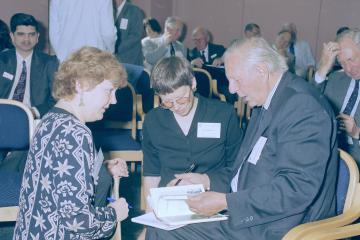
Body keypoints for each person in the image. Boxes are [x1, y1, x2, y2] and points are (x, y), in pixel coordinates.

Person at [146, 37, 338, 240]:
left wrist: (226, 202)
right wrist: (206, 180)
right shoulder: (266, 104)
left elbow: (296, 190)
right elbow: (244, 170)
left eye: (236, 80)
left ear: (261, 71)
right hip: (255, 211)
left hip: (283, 225)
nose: (231, 89)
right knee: (162, 226)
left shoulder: (301, 106)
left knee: (163, 231)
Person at [13, 47, 130, 239]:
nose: (114, 100)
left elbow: (55, 179)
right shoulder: (75, 132)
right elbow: (79, 222)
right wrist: (114, 213)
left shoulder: (50, 119)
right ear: (80, 85)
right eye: (109, 91)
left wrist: (101, 169)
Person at [142, 56, 242, 239]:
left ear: (193, 83)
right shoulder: (152, 121)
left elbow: (239, 168)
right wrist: (150, 220)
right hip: (169, 207)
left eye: (181, 99)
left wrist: (206, 179)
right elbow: (151, 174)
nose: (176, 107)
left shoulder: (223, 113)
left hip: (213, 204)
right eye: (167, 102)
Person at [0, 13, 58, 169]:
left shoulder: (49, 63)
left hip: (32, 120)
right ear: (12, 36)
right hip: (2, 116)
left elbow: (56, 100)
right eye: (21, 34)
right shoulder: (2, 61)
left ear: (38, 37)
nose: (26, 39)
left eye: (31, 34)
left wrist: (33, 112)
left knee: (19, 161)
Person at [315, 28, 360, 167]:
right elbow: (309, 105)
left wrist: (356, 132)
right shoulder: (336, 79)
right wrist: (323, 68)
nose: (348, 69)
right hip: (326, 153)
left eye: (351, 60)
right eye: (342, 63)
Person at [49, 0, 117, 62]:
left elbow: (54, 34)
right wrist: (110, 52)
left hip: (68, 61)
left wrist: (63, 57)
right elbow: (108, 33)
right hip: (96, 60)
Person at [114, 0, 145, 65]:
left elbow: (136, 35)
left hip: (131, 61)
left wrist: (115, 47)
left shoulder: (134, 10)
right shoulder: (109, 10)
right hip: (114, 61)